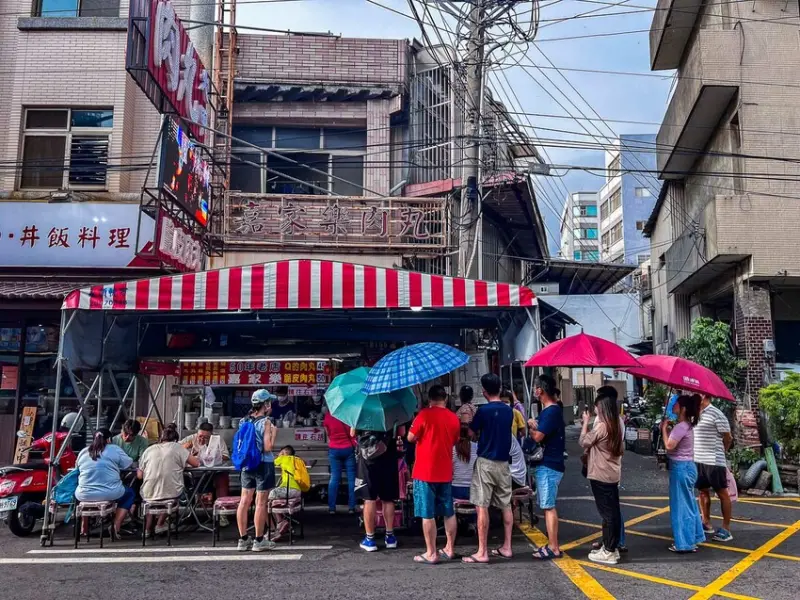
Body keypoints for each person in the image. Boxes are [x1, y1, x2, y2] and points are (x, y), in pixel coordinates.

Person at [462, 373, 514, 564]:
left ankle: (482, 551)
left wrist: (474, 433)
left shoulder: (483, 411)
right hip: (504, 463)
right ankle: (507, 547)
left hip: (485, 462)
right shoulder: (509, 410)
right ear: (500, 389)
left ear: (484, 392)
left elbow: (470, 432)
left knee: (481, 506)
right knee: (506, 504)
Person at [407, 385, 460, 564]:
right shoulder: (454, 418)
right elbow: (454, 440)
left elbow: (410, 438)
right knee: (448, 512)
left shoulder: (423, 415)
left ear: (429, 399)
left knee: (427, 513)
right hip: (445, 470)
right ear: (444, 399)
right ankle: (450, 548)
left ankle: (431, 553)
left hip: (425, 471)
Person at [580, 386, 625, 565]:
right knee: (612, 512)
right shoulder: (617, 424)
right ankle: (609, 547)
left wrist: (585, 422)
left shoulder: (603, 426)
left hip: (600, 474)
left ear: (603, 407)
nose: (595, 409)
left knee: (607, 514)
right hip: (612, 474)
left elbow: (583, 440)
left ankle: (609, 551)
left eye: (597, 406)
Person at [528, 374, 566, 560]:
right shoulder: (549, 411)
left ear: (540, 390)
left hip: (549, 465)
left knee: (549, 506)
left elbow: (537, 437)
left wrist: (530, 426)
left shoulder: (551, 411)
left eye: (536, 387)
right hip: (550, 464)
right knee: (546, 505)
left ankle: (554, 547)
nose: (535, 390)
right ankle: (552, 544)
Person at [661, 394, 706, 553]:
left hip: (680, 468)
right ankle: (692, 538)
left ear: (683, 409)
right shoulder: (686, 425)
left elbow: (669, 445)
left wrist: (663, 430)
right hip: (687, 467)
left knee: (681, 506)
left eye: (676, 404)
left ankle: (684, 543)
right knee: (689, 504)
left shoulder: (681, 427)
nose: (673, 406)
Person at [137, 423, 199, 535]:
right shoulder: (177, 447)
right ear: (176, 439)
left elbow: (139, 476)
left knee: (151, 499)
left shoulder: (149, 450)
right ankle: (160, 524)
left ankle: (147, 529)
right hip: (171, 493)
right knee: (170, 491)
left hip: (148, 493)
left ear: (161, 438)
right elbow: (196, 463)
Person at [237, 389, 278, 552]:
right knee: (260, 502)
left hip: (247, 465)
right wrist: (274, 434)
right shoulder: (266, 422)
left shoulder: (243, 421)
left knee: (244, 501)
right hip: (263, 464)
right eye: (270, 402)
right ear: (266, 404)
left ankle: (242, 539)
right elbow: (267, 448)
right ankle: (259, 540)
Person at [75, 428, 135, 538]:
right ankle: (116, 526)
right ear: (109, 440)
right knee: (129, 493)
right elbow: (128, 463)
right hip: (109, 492)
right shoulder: (114, 449)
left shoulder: (83, 451)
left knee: (81, 495)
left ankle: (84, 527)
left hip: (84, 494)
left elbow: (77, 468)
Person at [355, 421, 404, 552]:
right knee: (388, 498)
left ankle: (370, 539)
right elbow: (401, 433)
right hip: (389, 457)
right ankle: (390, 537)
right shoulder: (393, 410)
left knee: (369, 498)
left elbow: (352, 433)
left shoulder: (362, 409)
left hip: (368, 460)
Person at [694, 394, 734, 542]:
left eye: (697, 394)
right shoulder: (695, 413)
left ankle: (726, 528)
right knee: (702, 492)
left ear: (704, 396)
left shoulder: (717, 414)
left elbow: (728, 437)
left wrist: (723, 450)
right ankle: (706, 522)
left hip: (714, 460)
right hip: (698, 459)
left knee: (722, 493)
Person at [181, 422, 231, 513]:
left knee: (222, 478)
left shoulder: (217, 439)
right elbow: (176, 448)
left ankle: (222, 511)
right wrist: (186, 447)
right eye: (200, 436)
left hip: (215, 470)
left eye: (206, 438)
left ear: (211, 436)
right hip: (196, 472)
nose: (202, 439)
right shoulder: (192, 438)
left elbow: (226, 456)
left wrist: (215, 455)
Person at [269, 445, 306, 541]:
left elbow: (272, 463)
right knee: (271, 497)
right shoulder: (298, 460)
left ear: (284, 453)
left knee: (267, 495)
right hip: (298, 491)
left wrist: (279, 456)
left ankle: (280, 523)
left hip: (288, 490)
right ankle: (281, 521)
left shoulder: (283, 458)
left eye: (281, 452)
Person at [323, 411, 357, 514]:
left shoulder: (329, 415)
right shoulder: (350, 413)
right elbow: (353, 433)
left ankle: (332, 508)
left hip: (334, 449)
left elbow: (327, 432)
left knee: (334, 478)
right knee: (351, 479)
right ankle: (351, 507)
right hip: (348, 448)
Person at [451, 424, 478, 501]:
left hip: (456, 488)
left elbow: (451, 470)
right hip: (473, 488)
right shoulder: (477, 447)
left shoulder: (452, 449)